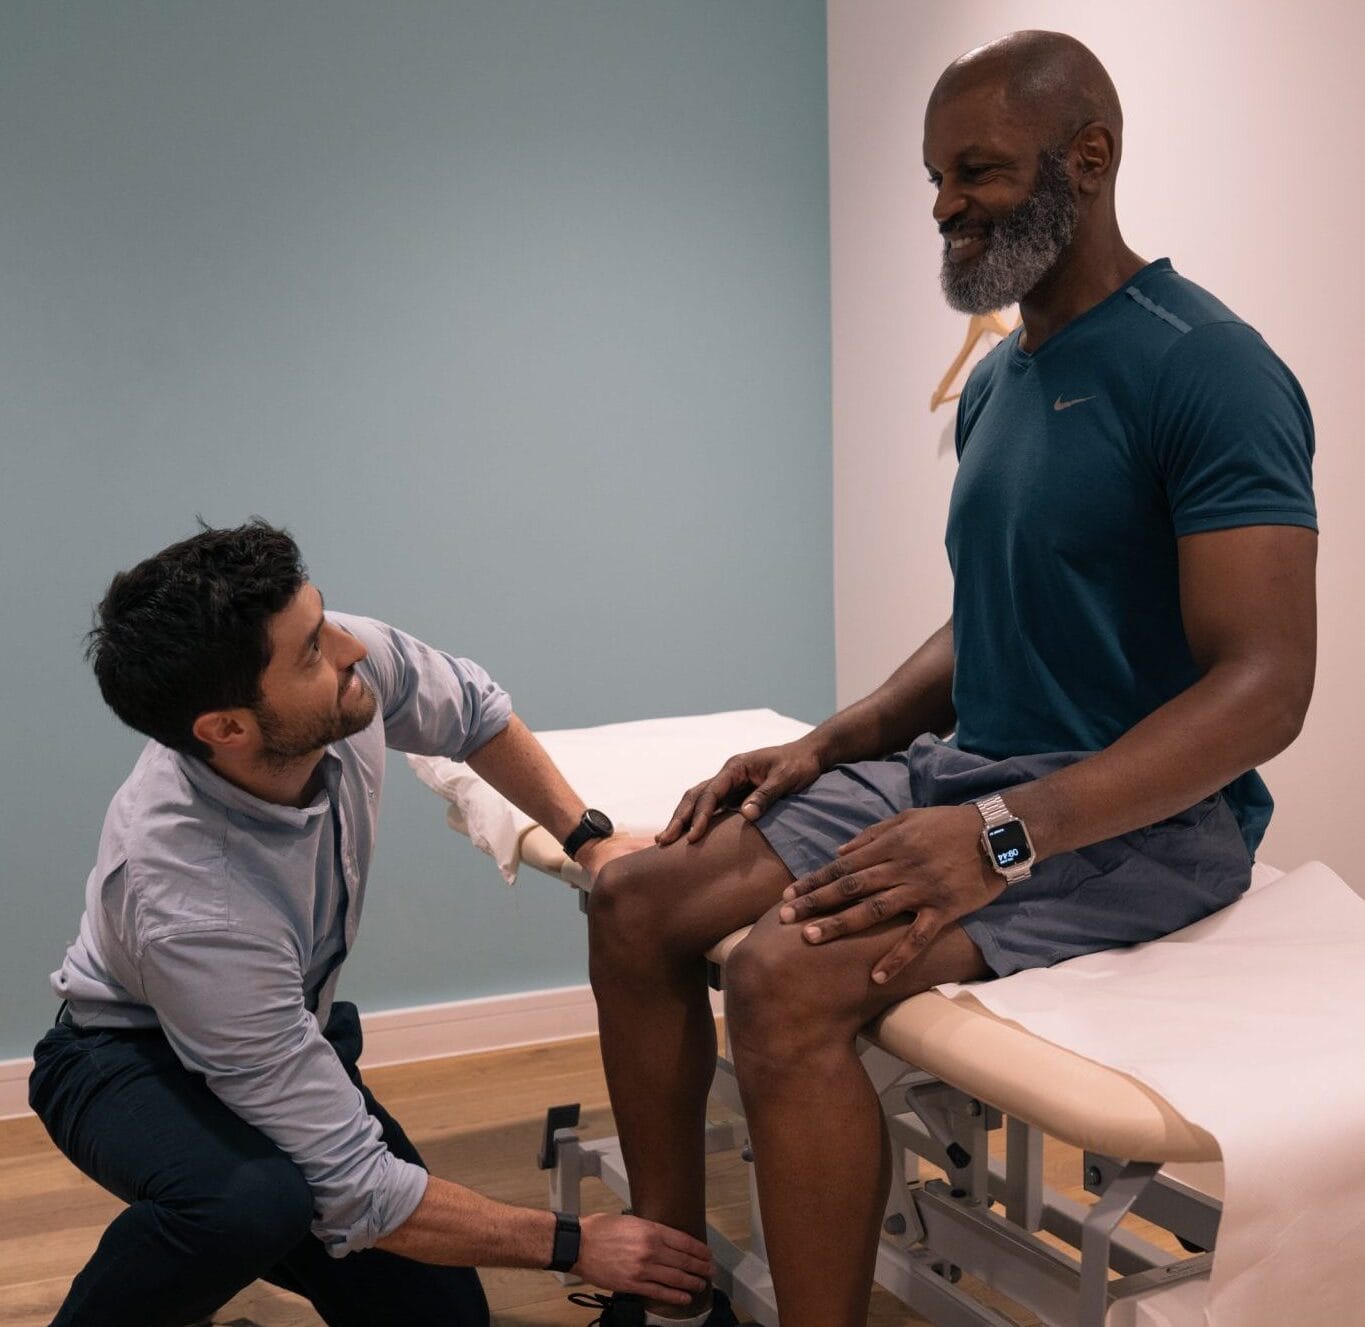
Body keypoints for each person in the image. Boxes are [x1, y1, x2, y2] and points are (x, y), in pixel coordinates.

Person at [584, 30, 1317, 1327]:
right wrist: (835, 737)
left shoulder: (1205, 366)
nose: (942, 203)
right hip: (975, 771)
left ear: (1086, 160)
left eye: (974, 168)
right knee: (637, 899)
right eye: (935, 175)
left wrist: (1001, 830)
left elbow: (1264, 684)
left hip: (1141, 822)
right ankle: (672, 1279)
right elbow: (994, 617)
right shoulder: (995, 382)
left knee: (779, 977)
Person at [30, 520, 712, 1327]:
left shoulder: (344, 674)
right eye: (311, 651)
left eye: (323, 623)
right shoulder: (190, 899)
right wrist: (574, 1241)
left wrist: (586, 838)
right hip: (123, 1056)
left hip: (278, 1029)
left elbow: (472, 711)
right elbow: (359, 1185)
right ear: (227, 729)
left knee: (442, 1316)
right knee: (251, 1202)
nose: (350, 647)